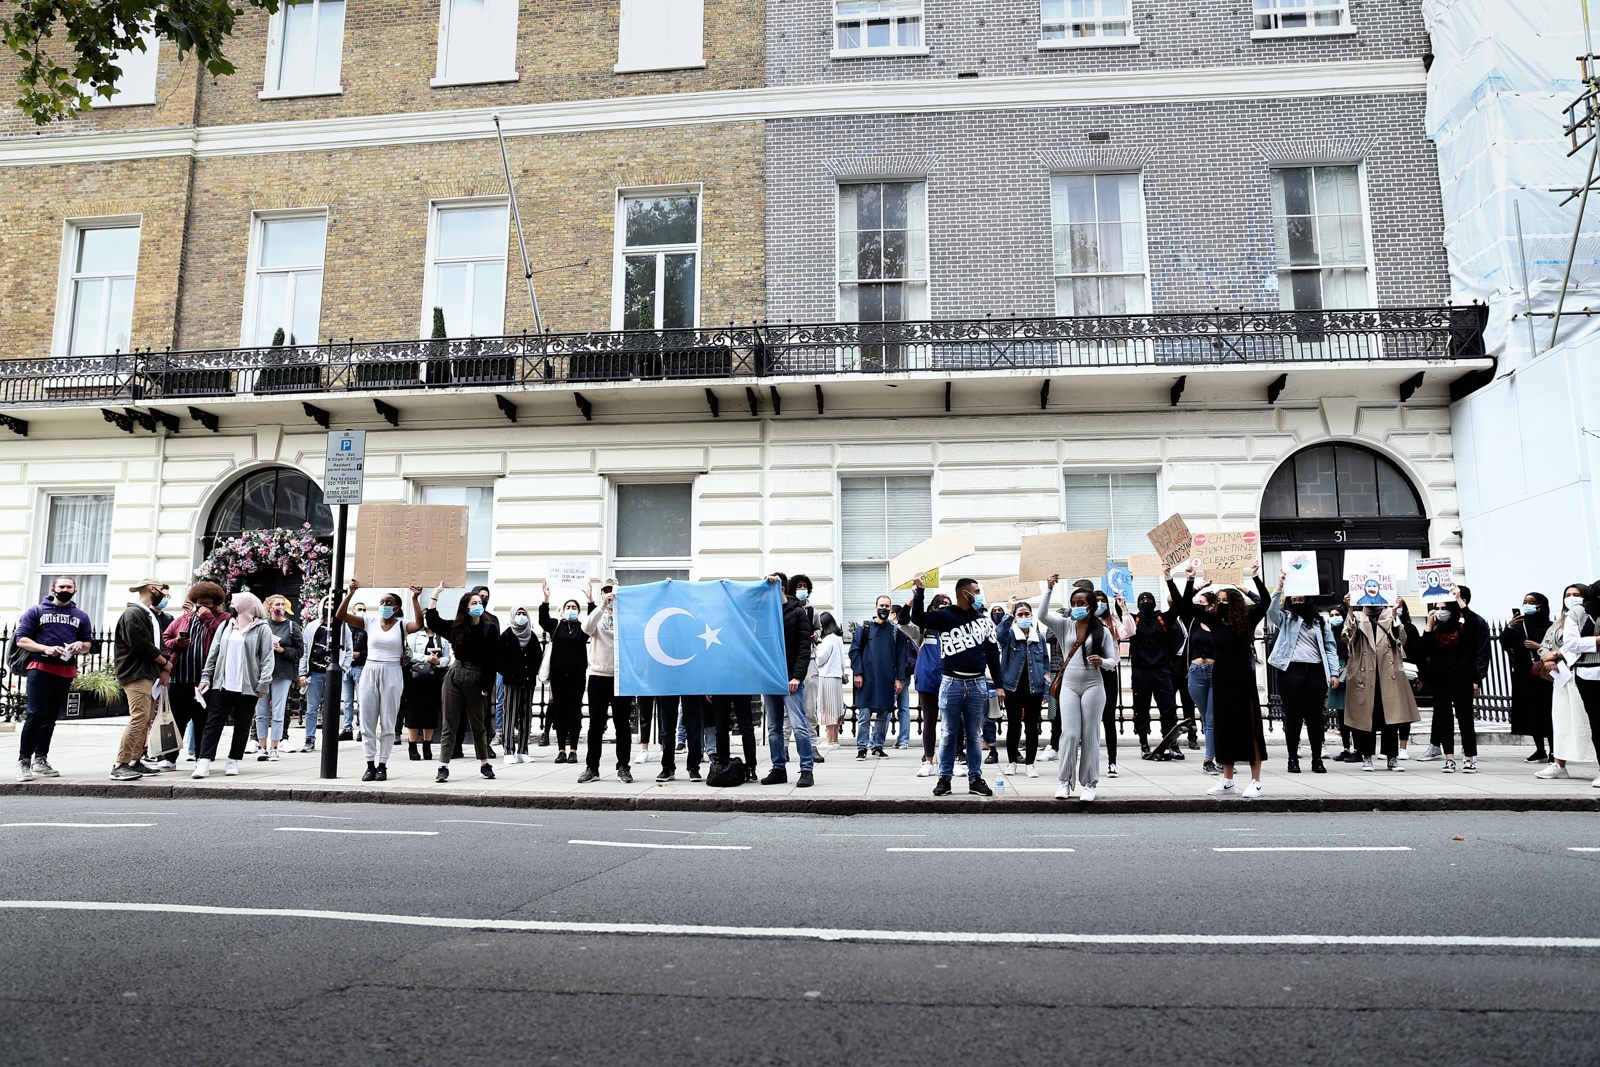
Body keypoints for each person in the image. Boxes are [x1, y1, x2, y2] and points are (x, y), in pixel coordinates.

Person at [1170, 563, 1271, 797]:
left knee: (1250, 726)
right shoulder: (1214, 621)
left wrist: (1252, 579)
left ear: (1234, 602)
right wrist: (1190, 581)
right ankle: (1228, 780)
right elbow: (1186, 605)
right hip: (1221, 676)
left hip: (1242, 677)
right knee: (1224, 727)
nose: (1220, 603)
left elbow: (1264, 601)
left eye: (1224, 600)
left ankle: (1256, 781)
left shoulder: (1248, 619)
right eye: (1218, 600)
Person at [909, 572, 1001, 797]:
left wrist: (999, 685)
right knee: (949, 732)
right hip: (951, 682)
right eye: (977, 592)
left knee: (974, 734)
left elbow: (992, 655)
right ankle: (945, 779)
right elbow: (918, 619)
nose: (979, 596)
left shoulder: (983, 622)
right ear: (965, 593)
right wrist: (920, 591)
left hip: (978, 682)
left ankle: (975, 779)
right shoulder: (945, 616)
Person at [1038, 577, 1119, 800]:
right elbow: (1042, 616)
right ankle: (1065, 781)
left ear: (1091, 606)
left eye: (1081, 603)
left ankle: (1090, 784)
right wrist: (1048, 589)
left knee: (1090, 734)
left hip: (1093, 684)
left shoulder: (1102, 630)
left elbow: (1113, 661)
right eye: (1074, 603)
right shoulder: (1065, 625)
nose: (1077, 607)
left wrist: (1101, 662)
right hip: (1069, 685)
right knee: (1070, 733)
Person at [337, 581, 422, 782]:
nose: (384, 605)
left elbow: (419, 625)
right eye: (382, 601)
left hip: (392, 672)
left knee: (388, 721)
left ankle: (383, 764)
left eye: (389, 602)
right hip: (370, 670)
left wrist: (415, 599)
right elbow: (341, 615)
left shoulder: (402, 624)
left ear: (397, 607)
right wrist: (351, 593)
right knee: (366, 720)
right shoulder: (370, 621)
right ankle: (369, 764)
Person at [13, 577, 94, 781]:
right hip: (40, 668)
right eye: (61, 587)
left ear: (75, 591)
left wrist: (79, 646)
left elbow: (88, 644)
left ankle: (40, 759)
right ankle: (24, 761)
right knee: (35, 713)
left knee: (50, 718)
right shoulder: (36, 611)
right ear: (53, 589)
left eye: (69, 587)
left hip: (65, 670)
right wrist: (45, 648)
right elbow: (21, 639)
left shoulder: (81, 615)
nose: (65, 590)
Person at [1266, 572, 1341, 774]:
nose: (1297, 599)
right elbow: (1271, 611)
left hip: (1316, 670)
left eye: (1301, 597)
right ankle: (1292, 759)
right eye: (1293, 597)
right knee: (1293, 716)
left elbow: (1330, 648)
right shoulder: (1286, 618)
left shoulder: (1320, 622)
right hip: (1291, 671)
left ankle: (1317, 759)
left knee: (1315, 716)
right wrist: (1280, 587)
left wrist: (1334, 673)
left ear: (1308, 599)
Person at [194, 593, 274, 778]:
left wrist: (263, 683)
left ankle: (233, 760)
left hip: (248, 686)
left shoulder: (262, 628)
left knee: (242, 724)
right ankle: (204, 761)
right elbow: (214, 652)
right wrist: (206, 677)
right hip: (222, 684)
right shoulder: (226, 625)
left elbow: (268, 658)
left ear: (246, 605)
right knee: (213, 722)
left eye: (235, 603)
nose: (232, 606)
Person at [426, 582, 498, 783]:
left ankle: (484, 763)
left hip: (477, 675)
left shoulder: (488, 628)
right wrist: (435, 593)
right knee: (450, 723)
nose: (479, 603)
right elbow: (432, 620)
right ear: (465, 608)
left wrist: (487, 686)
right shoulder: (456, 627)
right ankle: (443, 766)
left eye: (480, 601)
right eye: (474, 602)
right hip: (456, 674)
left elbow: (492, 661)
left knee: (478, 723)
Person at [1342, 594, 1421, 772]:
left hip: (1388, 676)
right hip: (1365, 676)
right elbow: (1347, 638)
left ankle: (1392, 757)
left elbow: (1402, 639)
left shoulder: (1389, 615)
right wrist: (1349, 609)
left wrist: (1394, 614)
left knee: (1390, 720)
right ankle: (1367, 757)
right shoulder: (1358, 616)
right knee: (1365, 719)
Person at [161, 582, 230, 769]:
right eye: (200, 603)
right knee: (175, 721)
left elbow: (225, 638)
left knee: (203, 721)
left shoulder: (223, 618)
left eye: (207, 603)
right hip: (180, 678)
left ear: (215, 603)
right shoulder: (183, 619)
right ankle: (169, 759)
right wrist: (176, 643)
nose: (203, 607)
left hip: (205, 681)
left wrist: (208, 618)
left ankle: (203, 757)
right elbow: (164, 639)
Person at [111, 578, 174, 780]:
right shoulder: (133, 614)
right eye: (162, 592)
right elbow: (142, 645)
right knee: (139, 718)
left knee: (145, 719)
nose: (164, 596)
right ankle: (120, 764)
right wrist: (164, 663)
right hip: (136, 672)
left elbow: (157, 643)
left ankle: (135, 761)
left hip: (148, 673)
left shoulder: (147, 614)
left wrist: (163, 668)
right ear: (151, 589)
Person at [1536, 583, 1600, 781]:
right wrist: (1547, 657)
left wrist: (1556, 654)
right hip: (1561, 677)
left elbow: (1570, 646)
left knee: (1586, 722)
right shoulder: (1561, 621)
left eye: (1576, 594)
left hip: (1579, 674)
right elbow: (1546, 643)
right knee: (1562, 720)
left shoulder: (1583, 615)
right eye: (1568, 594)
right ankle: (1558, 762)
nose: (1571, 598)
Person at [1417, 591, 1485, 773]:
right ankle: (1449, 758)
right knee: (1444, 719)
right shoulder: (1436, 630)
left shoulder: (1463, 627)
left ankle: (1469, 758)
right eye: (1437, 608)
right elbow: (1425, 649)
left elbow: (1473, 621)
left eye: (1444, 608)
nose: (1440, 612)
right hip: (1440, 680)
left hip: (1461, 678)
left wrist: (1457, 599)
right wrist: (1429, 625)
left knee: (1465, 718)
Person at [761, 573, 817, 787]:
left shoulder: (798, 613)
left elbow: (804, 647)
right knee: (774, 728)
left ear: (782, 589)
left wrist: (797, 676)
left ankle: (806, 769)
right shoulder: (766, 613)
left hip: (790, 679)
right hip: (770, 679)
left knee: (798, 725)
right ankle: (778, 768)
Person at [1117, 589, 1184, 761]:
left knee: (1168, 709)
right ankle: (1144, 743)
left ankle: (1171, 743)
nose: (1146, 601)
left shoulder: (1164, 619)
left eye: (1149, 599)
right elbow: (1121, 611)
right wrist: (1124, 590)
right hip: (1141, 672)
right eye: (1142, 599)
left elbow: (1178, 605)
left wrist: (1174, 582)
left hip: (1162, 670)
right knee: (1141, 709)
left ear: (1154, 602)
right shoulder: (1133, 620)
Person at [579, 580, 632, 784]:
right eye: (607, 591)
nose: (611, 595)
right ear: (602, 593)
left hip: (621, 677)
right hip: (598, 676)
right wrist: (602, 605)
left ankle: (623, 767)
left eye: (614, 592)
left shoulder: (627, 616)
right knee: (596, 725)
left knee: (622, 725)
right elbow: (586, 627)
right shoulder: (598, 615)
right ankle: (592, 768)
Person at [849, 593, 908, 762]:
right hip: (866, 679)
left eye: (887, 606)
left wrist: (899, 679)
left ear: (891, 609)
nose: (884, 609)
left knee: (883, 715)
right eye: (881, 606)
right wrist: (858, 673)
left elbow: (901, 656)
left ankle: (877, 746)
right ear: (875, 608)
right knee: (864, 715)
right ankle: (862, 748)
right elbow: (854, 651)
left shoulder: (896, 631)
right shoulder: (864, 627)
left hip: (887, 679)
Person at [539, 583, 593, 765]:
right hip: (558, 676)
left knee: (574, 712)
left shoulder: (583, 627)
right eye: (568, 607)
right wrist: (545, 599)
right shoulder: (556, 626)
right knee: (560, 712)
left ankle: (573, 750)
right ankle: (561, 750)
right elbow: (542, 620)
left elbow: (594, 619)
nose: (571, 610)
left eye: (574, 608)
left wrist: (590, 599)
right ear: (562, 611)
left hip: (577, 676)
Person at [898, 592, 951, 777]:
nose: (946, 606)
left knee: (952, 722)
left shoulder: (954, 628)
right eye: (942, 604)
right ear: (934, 608)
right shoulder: (922, 629)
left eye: (949, 604)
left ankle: (953, 758)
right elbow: (902, 620)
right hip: (928, 680)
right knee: (929, 720)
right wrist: (913, 598)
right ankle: (928, 760)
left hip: (950, 680)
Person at [996, 597, 1047, 777]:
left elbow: (1045, 665)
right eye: (1020, 614)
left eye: (1027, 614)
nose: (1024, 616)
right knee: (1014, 725)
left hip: (1035, 689)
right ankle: (1012, 762)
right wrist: (1009, 613)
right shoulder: (1010, 635)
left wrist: (1047, 690)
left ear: (1032, 616)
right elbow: (999, 635)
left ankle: (1030, 764)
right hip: (1013, 688)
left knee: (1032, 727)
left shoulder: (1039, 638)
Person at [1500, 592, 1554, 762]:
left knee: (1548, 711)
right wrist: (1509, 627)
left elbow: (1559, 646)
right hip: (1524, 673)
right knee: (1530, 710)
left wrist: (1539, 647)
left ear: (1541, 606)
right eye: (1525, 602)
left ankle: (1555, 751)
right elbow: (1504, 643)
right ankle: (1540, 749)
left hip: (1546, 673)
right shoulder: (1519, 625)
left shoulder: (1550, 626)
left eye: (1532, 602)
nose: (1527, 605)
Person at [251, 595, 302, 763]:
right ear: (269, 607)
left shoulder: (292, 626)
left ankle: (274, 748)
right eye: (276, 604)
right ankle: (261, 747)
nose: (279, 607)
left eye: (282, 604)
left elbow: (299, 651)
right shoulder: (262, 625)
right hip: (263, 674)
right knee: (261, 713)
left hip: (283, 673)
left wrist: (283, 650)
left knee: (279, 712)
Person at [1182, 587, 1222, 775]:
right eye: (1197, 604)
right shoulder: (1193, 622)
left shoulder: (1218, 623)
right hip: (1196, 672)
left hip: (1215, 672)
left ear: (1212, 606)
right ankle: (1219, 755)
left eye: (1202, 604)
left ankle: (1209, 759)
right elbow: (1183, 601)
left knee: (1212, 717)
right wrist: (1196, 584)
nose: (1198, 606)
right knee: (1206, 718)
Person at [498, 606, 544, 765]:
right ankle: (508, 750)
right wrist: (509, 673)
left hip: (528, 682)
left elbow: (539, 657)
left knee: (526, 716)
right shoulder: (506, 635)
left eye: (524, 614)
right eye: (518, 613)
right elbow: (499, 659)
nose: (521, 616)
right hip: (512, 682)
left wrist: (532, 672)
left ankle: (523, 750)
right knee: (509, 716)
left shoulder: (531, 636)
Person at [404, 621, 450, 761]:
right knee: (414, 710)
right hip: (415, 677)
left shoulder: (442, 638)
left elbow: (447, 658)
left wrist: (438, 662)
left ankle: (427, 745)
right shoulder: (414, 636)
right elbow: (409, 654)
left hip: (434, 678)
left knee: (430, 711)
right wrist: (427, 659)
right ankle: (412, 746)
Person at [297, 596, 334, 753]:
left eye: (333, 604)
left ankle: (330, 740)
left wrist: (344, 668)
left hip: (334, 674)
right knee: (312, 708)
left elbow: (348, 648)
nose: (330, 606)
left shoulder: (342, 627)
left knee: (331, 708)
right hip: (315, 673)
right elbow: (305, 650)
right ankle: (309, 739)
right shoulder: (312, 627)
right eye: (327, 604)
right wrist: (303, 673)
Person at [814, 612, 847, 748]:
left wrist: (815, 649)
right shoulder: (838, 638)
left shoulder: (828, 639)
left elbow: (820, 659)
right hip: (837, 676)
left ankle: (828, 741)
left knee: (827, 709)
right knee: (835, 709)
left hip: (826, 676)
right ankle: (834, 740)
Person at [338, 601, 367, 741]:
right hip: (347, 667)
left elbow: (372, 649)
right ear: (353, 611)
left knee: (362, 700)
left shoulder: (367, 628)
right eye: (360, 609)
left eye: (364, 609)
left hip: (360, 667)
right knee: (348, 701)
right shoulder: (346, 627)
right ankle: (347, 728)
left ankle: (362, 729)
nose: (363, 611)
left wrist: (360, 654)